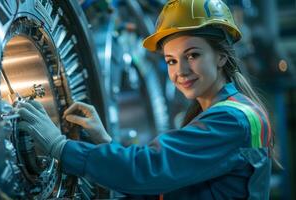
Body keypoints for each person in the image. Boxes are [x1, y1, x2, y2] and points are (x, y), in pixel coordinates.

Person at [17, 0, 273, 199]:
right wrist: (105, 141)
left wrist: (61, 147)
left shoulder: (231, 120)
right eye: (171, 60)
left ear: (221, 57)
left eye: (192, 55)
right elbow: (170, 185)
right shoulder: (232, 112)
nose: (180, 71)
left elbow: (150, 168)